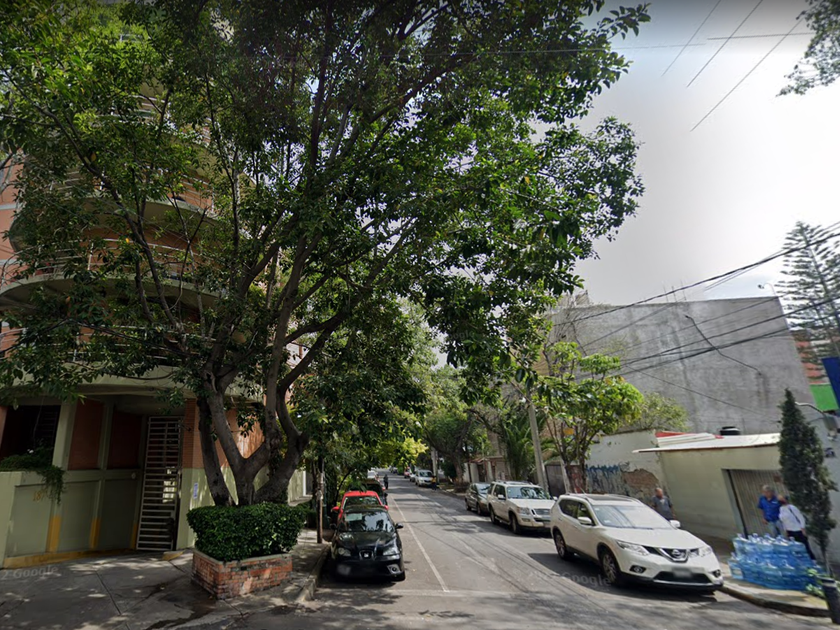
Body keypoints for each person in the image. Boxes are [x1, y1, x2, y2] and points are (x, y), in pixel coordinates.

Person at [779, 495, 815, 559]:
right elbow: (783, 521)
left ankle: (812, 559)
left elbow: (801, 518)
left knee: (805, 547)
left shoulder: (792, 508)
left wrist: (802, 528)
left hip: (797, 529)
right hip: (789, 531)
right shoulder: (781, 509)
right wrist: (785, 530)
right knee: (795, 548)